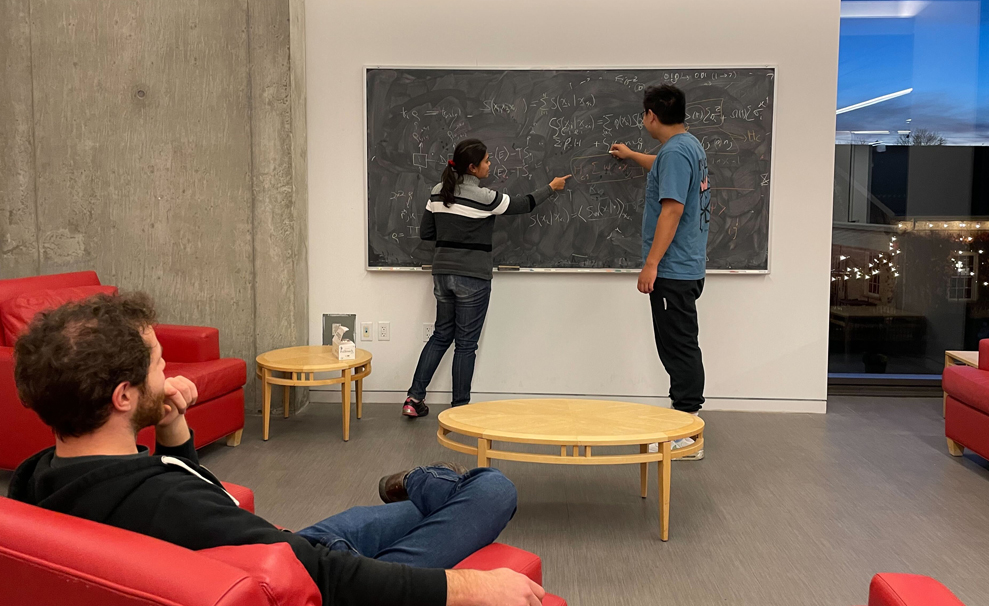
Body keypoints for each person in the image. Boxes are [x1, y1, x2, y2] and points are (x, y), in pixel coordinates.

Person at [8, 293, 547, 606]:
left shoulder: (38, 478)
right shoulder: (165, 500)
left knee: (416, 513)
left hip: (277, 547)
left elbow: (199, 501)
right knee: (491, 488)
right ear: (122, 396)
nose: (168, 374)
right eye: (157, 365)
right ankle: (426, 483)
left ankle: (419, 492)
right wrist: (469, 587)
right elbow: (321, 578)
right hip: (301, 570)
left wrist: (172, 428)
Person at [402, 139, 571, 418]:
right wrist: (551, 188)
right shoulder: (485, 198)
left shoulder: (437, 193)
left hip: (442, 274)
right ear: (472, 167)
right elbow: (522, 204)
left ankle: (413, 398)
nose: (490, 165)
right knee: (466, 344)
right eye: (486, 161)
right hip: (472, 277)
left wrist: (452, 234)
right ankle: (459, 410)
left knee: (441, 335)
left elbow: (426, 233)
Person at [610, 84, 711, 460]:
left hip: (673, 268)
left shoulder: (675, 152)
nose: (643, 119)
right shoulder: (687, 146)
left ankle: (686, 432)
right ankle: (684, 421)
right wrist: (634, 155)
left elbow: (671, 209)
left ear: (651, 115)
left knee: (678, 346)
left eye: (643, 114)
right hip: (688, 265)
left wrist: (650, 264)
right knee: (681, 343)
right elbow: (664, 171)